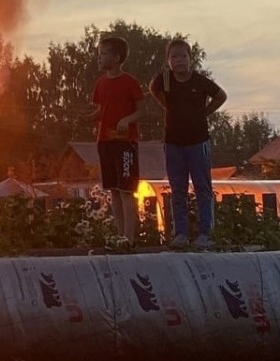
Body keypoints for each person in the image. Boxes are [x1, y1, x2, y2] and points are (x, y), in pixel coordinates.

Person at [149, 38, 227, 250]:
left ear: (190, 59)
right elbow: (152, 89)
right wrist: (166, 106)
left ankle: (205, 233)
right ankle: (181, 233)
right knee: (178, 189)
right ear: (168, 60)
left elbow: (221, 95)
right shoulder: (164, 79)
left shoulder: (200, 81)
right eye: (174, 56)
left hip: (197, 141)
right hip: (173, 142)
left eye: (183, 56)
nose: (179, 60)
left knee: (202, 187)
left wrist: (205, 113)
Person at [88, 36, 145, 246]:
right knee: (113, 189)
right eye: (99, 54)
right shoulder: (100, 83)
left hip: (125, 143)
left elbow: (141, 110)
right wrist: (91, 117)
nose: (99, 58)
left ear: (117, 57)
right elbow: (102, 110)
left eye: (103, 54)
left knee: (126, 190)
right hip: (104, 142)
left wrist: (127, 120)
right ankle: (120, 236)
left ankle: (129, 239)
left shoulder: (129, 82)